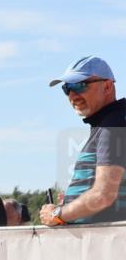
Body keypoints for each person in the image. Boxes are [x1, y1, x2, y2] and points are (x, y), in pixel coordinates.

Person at [41, 56, 125, 226]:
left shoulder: (113, 125)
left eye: (80, 85)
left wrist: (57, 214)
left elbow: (103, 195)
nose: (72, 95)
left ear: (107, 86)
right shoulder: (111, 122)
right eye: (67, 88)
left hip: (106, 244)